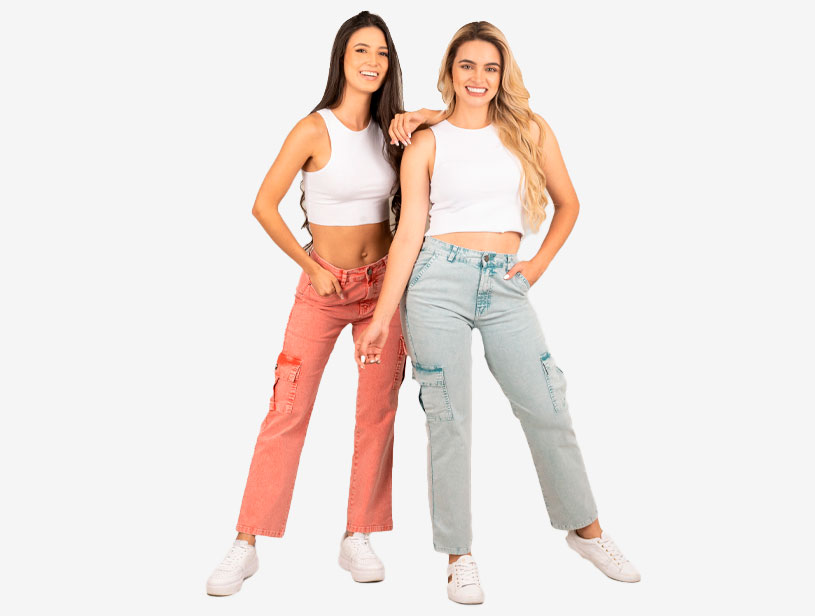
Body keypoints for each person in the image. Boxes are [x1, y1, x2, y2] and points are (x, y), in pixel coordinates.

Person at [355, 21, 641, 605]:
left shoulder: (530, 130)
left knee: (547, 402)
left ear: (503, 74)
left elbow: (569, 204)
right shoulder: (427, 142)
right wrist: (383, 316)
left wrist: (535, 267)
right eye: (467, 65)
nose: (479, 77)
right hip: (435, 281)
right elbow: (409, 233)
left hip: (506, 283)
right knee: (449, 419)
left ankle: (585, 530)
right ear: (450, 71)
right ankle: (458, 557)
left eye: (490, 67)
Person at [205, 11, 435, 596]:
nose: (373, 62)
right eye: (362, 50)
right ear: (342, 58)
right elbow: (263, 204)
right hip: (323, 287)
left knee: (377, 411)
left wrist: (419, 116)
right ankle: (246, 541)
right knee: (287, 407)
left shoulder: (393, 131)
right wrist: (311, 268)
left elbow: (456, 117)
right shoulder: (313, 128)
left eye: (382, 53)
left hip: (383, 287)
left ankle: (359, 534)